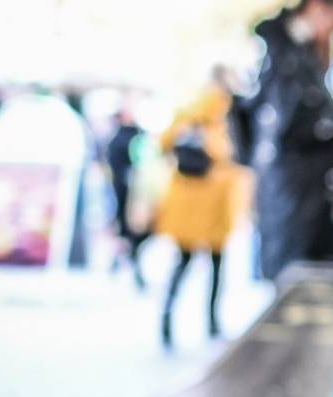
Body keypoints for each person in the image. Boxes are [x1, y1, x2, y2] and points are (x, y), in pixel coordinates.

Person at [249, 0, 333, 280]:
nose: (332, 32)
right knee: (292, 283)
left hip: (300, 200)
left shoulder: (296, 55)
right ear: (317, 7)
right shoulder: (286, 56)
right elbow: (294, 125)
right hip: (292, 203)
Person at [154, 72, 242, 346]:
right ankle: (212, 322)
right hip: (214, 201)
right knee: (216, 265)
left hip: (186, 199)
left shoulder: (187, 112)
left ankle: (167, 317)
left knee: (183, 261)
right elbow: (230, 155)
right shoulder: (226, 115)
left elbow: (162, 144)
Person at [103, 101, 151, 289]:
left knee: (133, 231)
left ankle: (123, 261)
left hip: (138, 192)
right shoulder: (123, 137)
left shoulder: (136, 135)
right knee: (127, 230)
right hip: (126, 192)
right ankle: (128, 264)